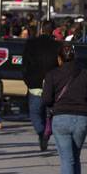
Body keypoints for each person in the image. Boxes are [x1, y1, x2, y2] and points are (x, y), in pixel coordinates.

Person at [43, 42, 87, 174]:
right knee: (75, 158)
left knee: (67, 159)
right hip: (81, 119)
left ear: (60, 59)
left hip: (61, 118)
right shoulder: (86, 74)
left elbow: (46, 99)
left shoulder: (52, 74)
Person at [21, 21, 61, 152]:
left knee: (35, 113)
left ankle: (41, 132)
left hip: (35, 85)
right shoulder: (57, 46)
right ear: (53, 31)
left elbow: (24, 65)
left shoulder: (31, 44)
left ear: (41, 30)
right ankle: (46, 132)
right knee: (50, 112)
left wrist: (27, 80)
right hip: (52, 85)